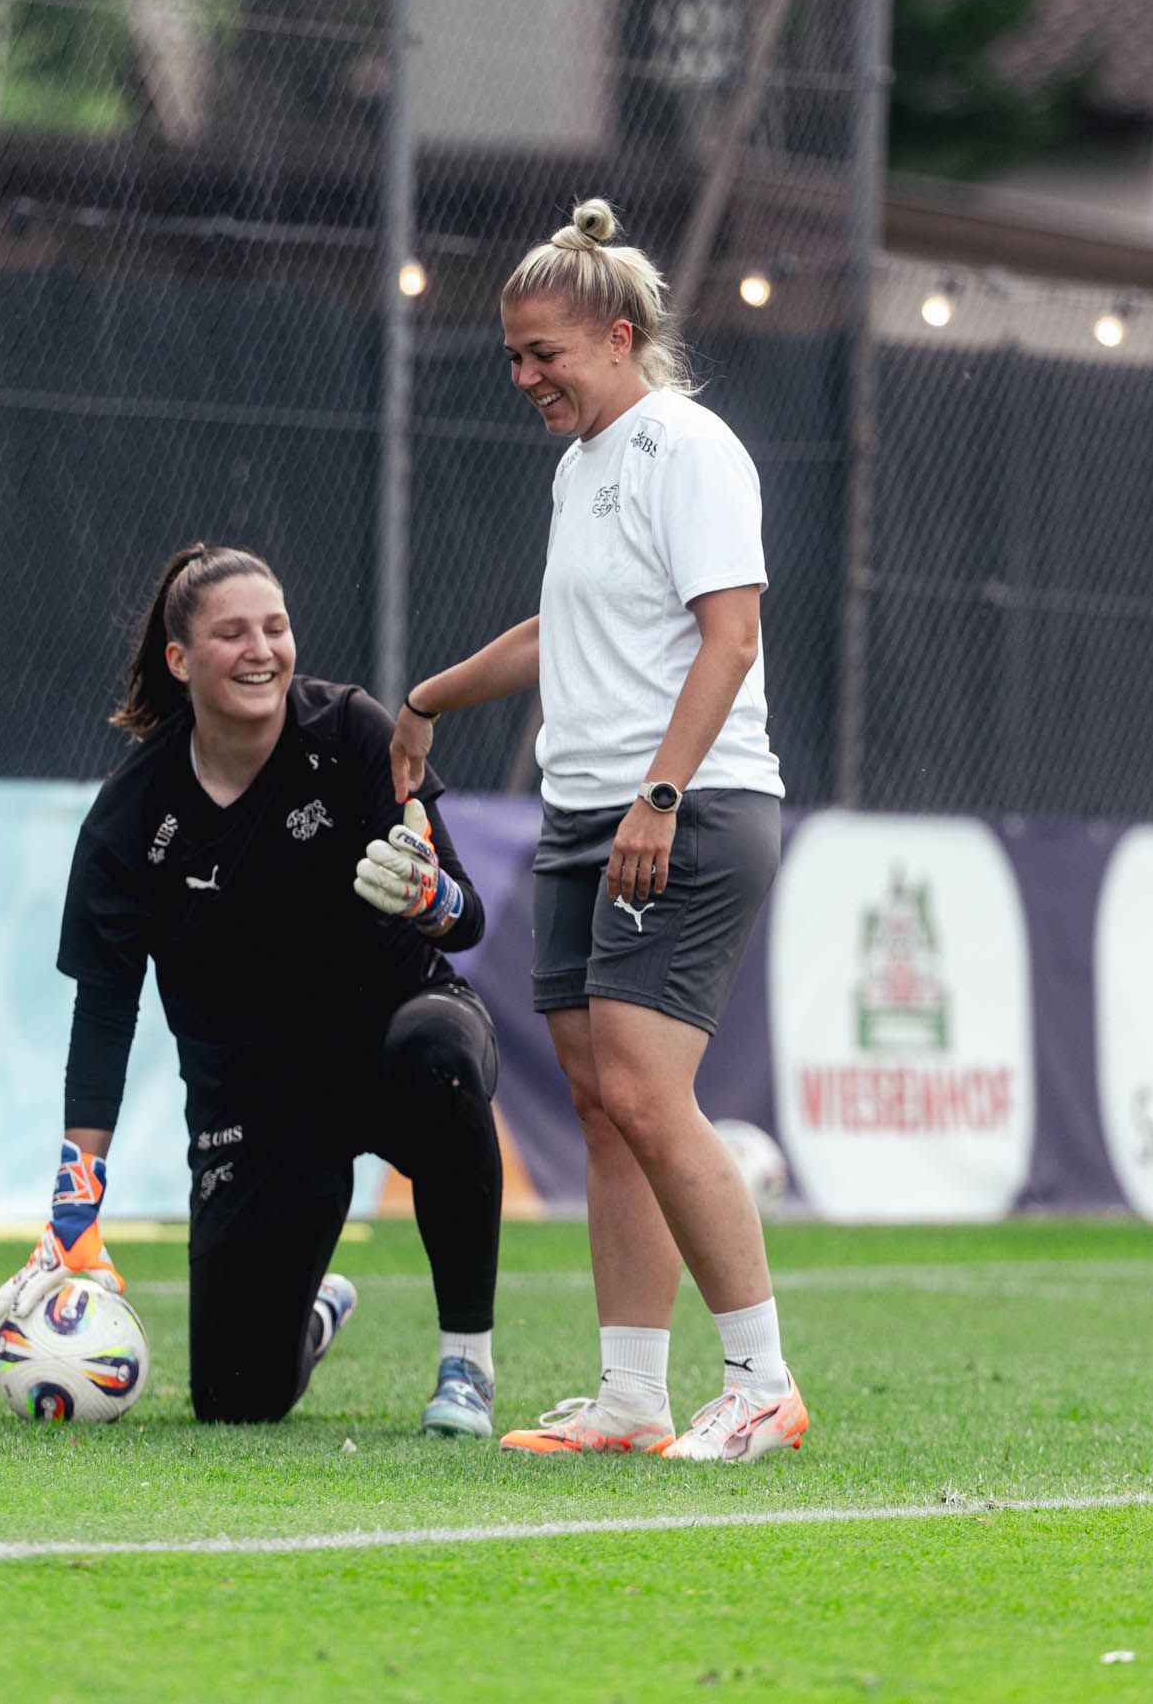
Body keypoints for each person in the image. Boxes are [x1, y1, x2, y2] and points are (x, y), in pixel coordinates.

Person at [391, 199, 803, 1464]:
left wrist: (662, 796)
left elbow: (730, 636)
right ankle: (632, 1393)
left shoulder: (687, 446)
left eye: (544, 354)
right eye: (513, 356)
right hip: (586, 818)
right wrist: (424, 701)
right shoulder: (581, 467)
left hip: (682, 812)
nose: (524, 377)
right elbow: (554, 634)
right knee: (599, 1102)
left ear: (618, 337)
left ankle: (762, 1380)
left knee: (640, 1087)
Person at [0, 543, 506, 1437]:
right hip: (256, 1099)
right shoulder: (132, 814)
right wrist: (76, 1198)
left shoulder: (349, 732)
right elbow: (105, 1009)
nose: (262, 648)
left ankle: (466, 1362)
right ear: (182, 661)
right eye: (232, 633)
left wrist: (432, 895)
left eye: (276, 626)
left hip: (390, 1037)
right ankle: (310, 1306)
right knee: (234, 1400)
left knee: (442, 1058)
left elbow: (466, 923)